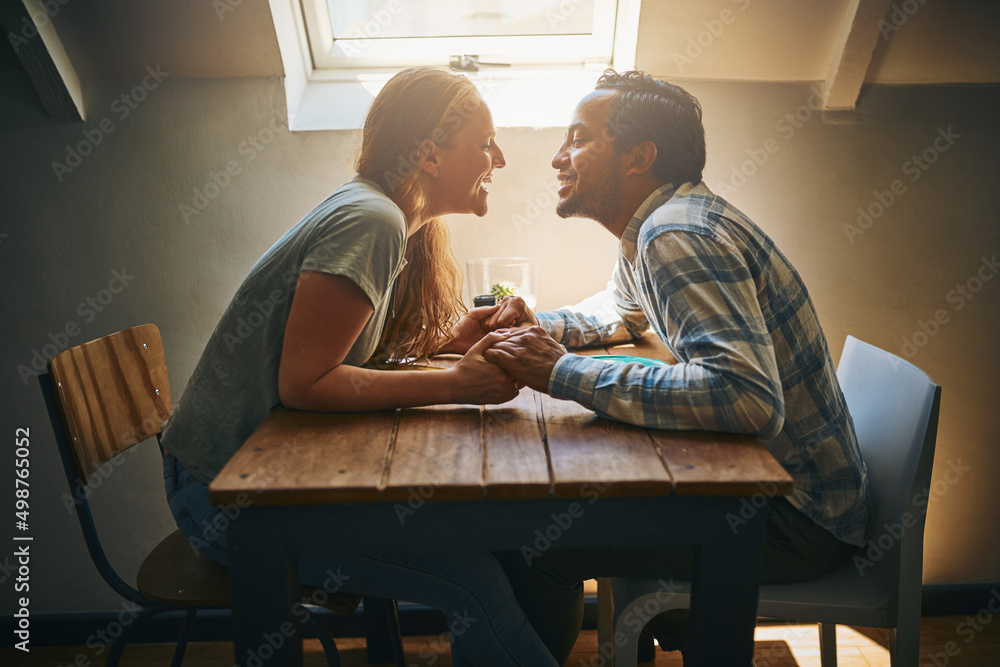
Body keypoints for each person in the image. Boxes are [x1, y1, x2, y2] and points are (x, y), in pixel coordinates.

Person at [159, 66, 555, 666]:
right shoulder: (373, 220)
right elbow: (305, 383)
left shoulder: (388, 216)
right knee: (473, 579)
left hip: (263, 482)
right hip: (225, 502)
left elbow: (346, 351)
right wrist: (458, 384)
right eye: (484, 142)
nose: (497, 158)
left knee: (500, 548)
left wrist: (449, 342)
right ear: (428, 154)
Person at [481, 70, 870, 664]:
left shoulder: (678, 234)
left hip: (798, 521)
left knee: (537, 544)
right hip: (804, 501)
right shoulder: (656, 227)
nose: (559, 157)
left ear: (640, 157)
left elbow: (746, 397)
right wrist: (535, 327)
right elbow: (624, 312)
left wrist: (561, 372)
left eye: (579, 138)